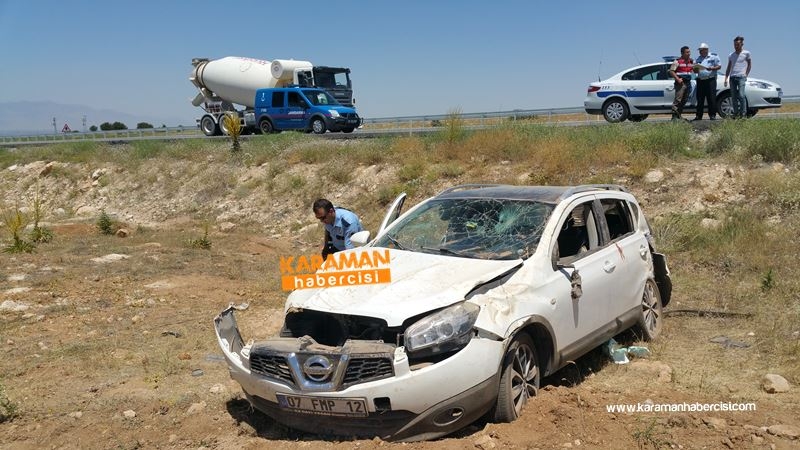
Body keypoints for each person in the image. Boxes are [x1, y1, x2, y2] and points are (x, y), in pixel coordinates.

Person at [724, 36, 752, 119]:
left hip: (741, 77)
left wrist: (746, 74)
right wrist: (726, 78)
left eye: (738, 44)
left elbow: (749, 64)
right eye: (735, 44)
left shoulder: (746, 53)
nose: (736, 46)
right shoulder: (731, 55)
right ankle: (736, 114)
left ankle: (743, 114)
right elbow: (728, 67)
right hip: (732, 77)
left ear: (742, 44)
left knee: (741, 95)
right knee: (733, 96)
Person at [693, 43, 722, 120]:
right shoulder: (697, 58)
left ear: (706, 50)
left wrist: (712, 68)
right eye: (699, 50)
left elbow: (719, 66)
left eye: (701, 50)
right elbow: (695, 71)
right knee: (700, 99)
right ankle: (699, 116)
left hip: (710, 80)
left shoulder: (714, 56)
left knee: (711, 98)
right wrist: (695, 68)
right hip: (700, 80)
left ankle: (712, 115)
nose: (700, 52)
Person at [669, 46, 694, 120]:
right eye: (687, 52)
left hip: (688, 83)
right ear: (682, 53)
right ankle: (674, 117)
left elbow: (693, 70)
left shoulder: (691, 61)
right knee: (678, 100)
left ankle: (678, 115)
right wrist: (677, 79)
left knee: (684, 100)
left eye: (689, 52)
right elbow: (671, 71)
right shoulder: (677, 61)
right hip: (681, 84)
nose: (689, 53)